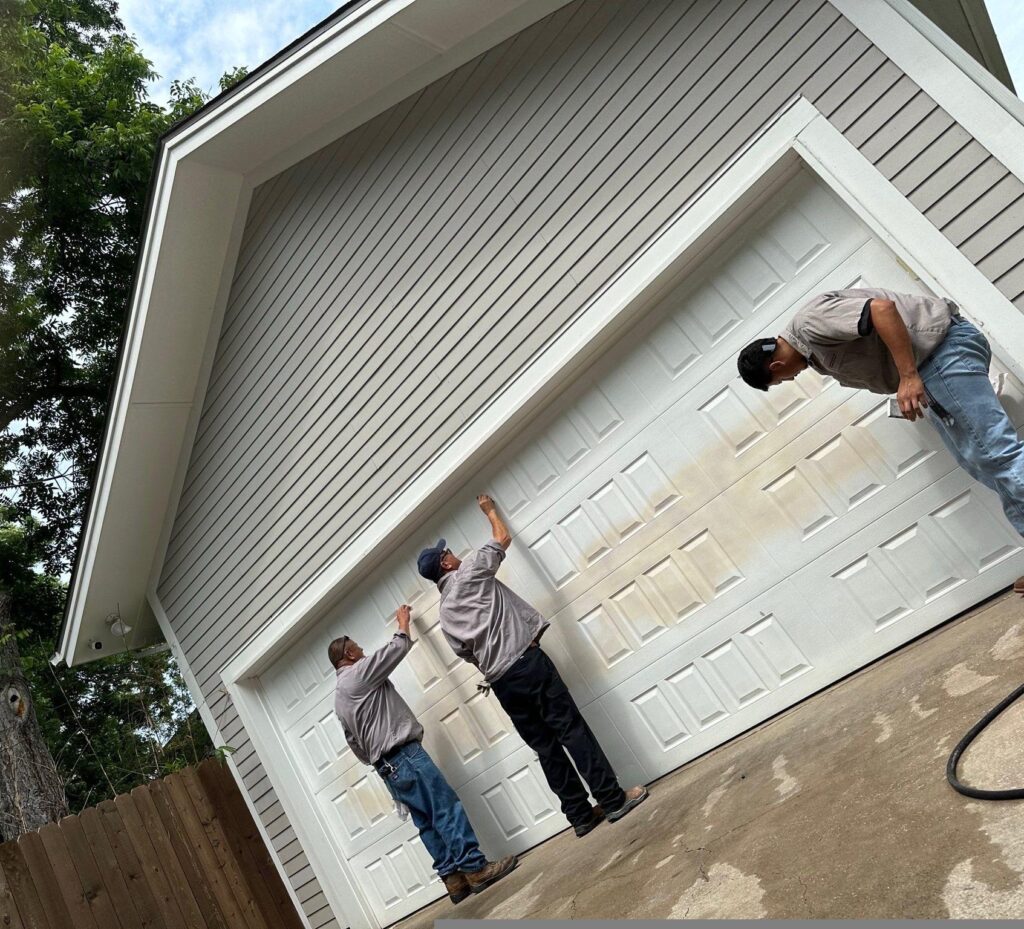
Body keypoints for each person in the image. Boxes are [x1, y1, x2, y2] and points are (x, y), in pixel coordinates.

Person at [417, 495, 648, 839]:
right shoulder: (470, 570)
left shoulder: (445, 613)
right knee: (571, 730)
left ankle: (581, 816)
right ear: (446, 563)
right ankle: (613, 801)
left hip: (503, 683)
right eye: (448, 552)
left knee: (545, 747)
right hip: (528, 664)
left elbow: (465, 653)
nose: (453, 553)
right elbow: (502, 539)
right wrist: (491, 511)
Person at [737, 287, 1024, 546]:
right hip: (934, 366)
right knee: (982, 462)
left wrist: (908, 376)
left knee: (997, 455)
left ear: (776, 366)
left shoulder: (809, 324)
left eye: (781, 380)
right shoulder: (812, 351)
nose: (791, 378)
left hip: (938, 356)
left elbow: (881, 310)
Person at [330, 605, 516, 904]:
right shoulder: (358, 674)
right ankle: (476, 868)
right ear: (349, 655)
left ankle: (454, 880)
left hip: (387, 766)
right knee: (444, 807)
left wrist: (378, 759)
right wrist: (403, 623)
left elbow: (353, 742)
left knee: (426, 821)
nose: (363, 652)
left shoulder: (339, 696)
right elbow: (397, 647)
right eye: (359, 649)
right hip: (405, 756)